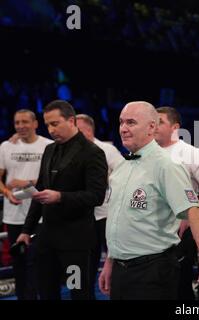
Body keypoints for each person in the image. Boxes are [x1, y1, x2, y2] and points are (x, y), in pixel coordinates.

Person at [98, 101, 199, 300]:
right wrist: (110, 262)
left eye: (131, 122)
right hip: (121, 269)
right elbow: (118, 220)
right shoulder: (122, 167)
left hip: (153, 270)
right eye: (121, 122)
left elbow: (194, 211)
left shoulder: (167, 166)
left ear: (151, 127)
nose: (123, 128)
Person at [16, 100, 108, 300]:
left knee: (78, 294)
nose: (50, 129)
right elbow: (39, 191)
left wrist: (60, 197)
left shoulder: (93, 153)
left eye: (55, 124)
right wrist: (26, 230)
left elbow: (96, 196)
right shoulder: (49, 150)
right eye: (48, 124)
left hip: (77, 241)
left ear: (72, 120)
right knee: (47, 292)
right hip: (47, 238)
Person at [155, 106, 199, 299]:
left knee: (178, 285)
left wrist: (189, 218)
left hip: (179, 230)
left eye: (160, 122)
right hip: (150, 229)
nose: (154, 126)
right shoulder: (144, 152)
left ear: (175, 127)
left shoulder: (190, 153)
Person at [0, 109, 52, 299]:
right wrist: (7, 192)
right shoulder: (6, 146)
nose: (21, 126)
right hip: (14, 214)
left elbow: (53, 177)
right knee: (19, 264)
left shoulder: (48, 145)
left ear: (35, 123)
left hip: (41, 214)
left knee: (39, 263)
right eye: (17, 123)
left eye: (25, 122)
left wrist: (25, 183)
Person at [75, 114, 123, 296]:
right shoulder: (71, 150)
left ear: (87, 130)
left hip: (106, 214)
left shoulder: (107, 149)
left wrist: (101, 182)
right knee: (86, 262)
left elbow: (123, 174)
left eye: (76, 128)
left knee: (114, 260)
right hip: (83, 216)